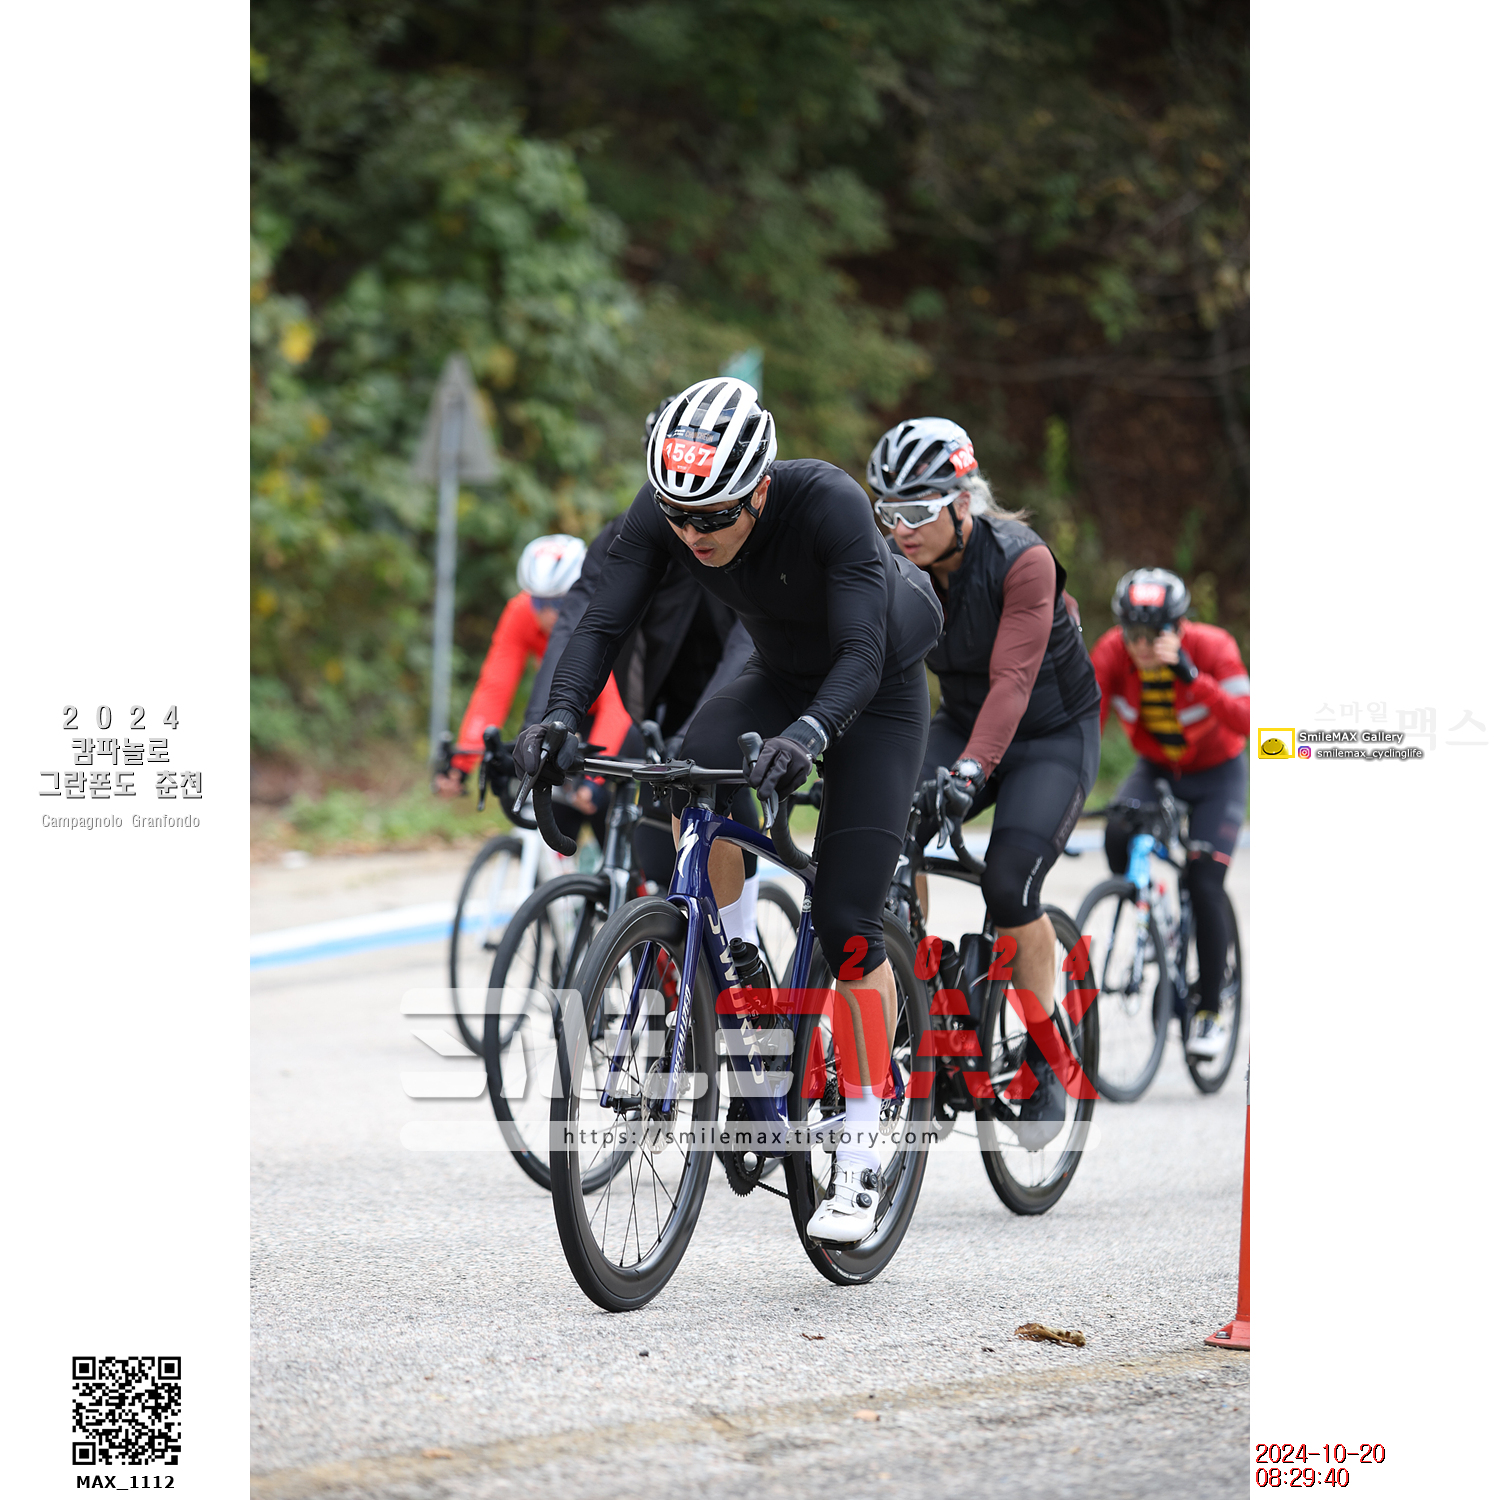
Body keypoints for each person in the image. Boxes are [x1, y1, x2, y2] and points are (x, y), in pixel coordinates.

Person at [516, 376, 942, 1244]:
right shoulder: (669, 510)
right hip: (779, 672)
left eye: (712, 517)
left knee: (849, 924)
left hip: (877, 687)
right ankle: (738, 951)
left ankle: (863, 1143)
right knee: (690, 770)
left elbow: (861, 653)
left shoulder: (826, 503)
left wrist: (811, 734)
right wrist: (556, 719)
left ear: (758, 489)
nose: (692, 534)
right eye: (679, 517)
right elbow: (600, 624)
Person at [867, 417, 1101, 1147]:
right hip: (963, 722)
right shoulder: (893, 562)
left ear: (963, 502)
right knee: (884, 840)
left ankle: (1044, 1049)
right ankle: (915, 991)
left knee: (1007, 884)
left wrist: (970, 771)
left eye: (918, 510)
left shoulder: (1022, 561)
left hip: (1050, 735)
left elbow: (1013, 682)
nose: (902, 528)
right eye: (889, 511)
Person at [1091, 568, 1249, 1060]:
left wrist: (1191, 676)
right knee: (1117, 834)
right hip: (1157, 767)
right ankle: (1152, 909)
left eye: (1153, 633)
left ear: (1179, 627)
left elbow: (1249, 719)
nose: (1141, 645)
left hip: (1218, 773)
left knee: (1204, 881)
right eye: (1132, 633)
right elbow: (1086, 723)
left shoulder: (1212, 646)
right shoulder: (1112, 652)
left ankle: (1209, 1011)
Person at [435, 535, 633, 844]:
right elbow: (494, 687)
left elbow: (616, 708)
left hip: (611, 716)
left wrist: (594, 780)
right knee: (554, 815)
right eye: (540, 602)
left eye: (561, 602)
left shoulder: (599, 612)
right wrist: (462, 764)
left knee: (603, 813)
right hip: (560, 715)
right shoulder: (520, 612)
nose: (549, 614)